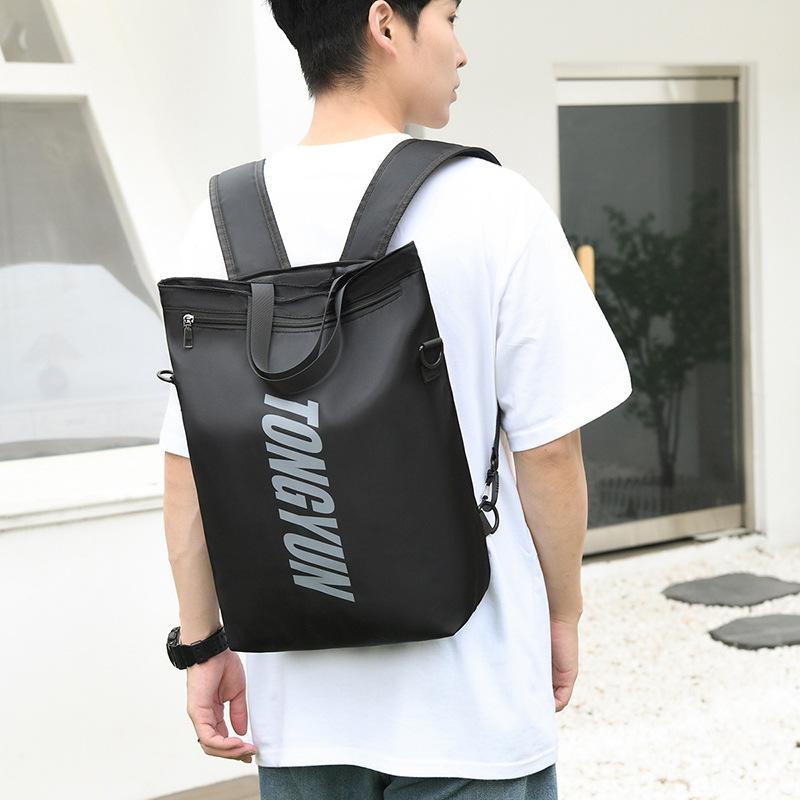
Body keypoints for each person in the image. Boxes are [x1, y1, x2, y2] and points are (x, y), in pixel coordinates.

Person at [158, 1, 632, 798]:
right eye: (448, 16)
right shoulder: (493, 203)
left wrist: (202, 645)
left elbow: (189, 469)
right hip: (470, 702)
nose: (461, 50)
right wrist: (562, 613)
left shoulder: (216, 223)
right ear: (385, 24)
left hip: (301, 711)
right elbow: (550, 450)